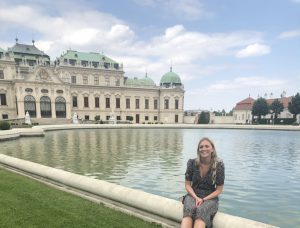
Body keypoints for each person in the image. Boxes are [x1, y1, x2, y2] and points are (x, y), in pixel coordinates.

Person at [181, 137, 225, 228]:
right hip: (193, 195)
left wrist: (204, 199)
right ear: (198, 150)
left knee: (201, 210)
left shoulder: (219, 165)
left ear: (212, 149)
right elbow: (188, 185)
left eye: (206, 146)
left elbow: (219, 190)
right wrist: (196, 197)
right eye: (201, 147)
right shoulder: (192, 163)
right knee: (188, 210)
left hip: (210, 198)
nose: (204, 149)